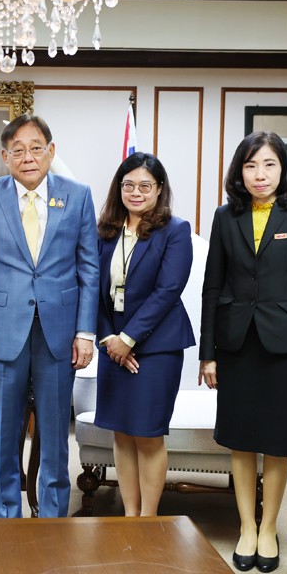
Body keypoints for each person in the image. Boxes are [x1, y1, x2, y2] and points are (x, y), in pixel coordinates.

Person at [198, 131, 287, 573]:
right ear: (240, 171)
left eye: (269, 164)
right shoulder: (225, 216)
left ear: (283, 168)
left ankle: (268, 527)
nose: (260, 174)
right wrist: (208, 354)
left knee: (275, 440)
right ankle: (246, 527)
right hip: (235, 344)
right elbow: (212, 287)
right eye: (251, 165)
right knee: (239, 438)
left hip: (284, 347)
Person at [0, 114, 99, 519]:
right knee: (5, 435)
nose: (28, 157)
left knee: (55, 434)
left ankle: (52, 521)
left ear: (51, 152)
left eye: (36, 148)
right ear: (5, 157)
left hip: (60, 333)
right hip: (4, 332)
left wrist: (86, 331)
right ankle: (8, 517)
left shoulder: (77, 196)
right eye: (17, 150)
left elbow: (89, 269)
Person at [94, 152, 195, 517]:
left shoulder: (175, 231)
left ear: (159, 189)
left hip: (156, 347)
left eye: (144, 186)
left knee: (148, 434)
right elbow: (92, 289)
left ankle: (148, 520)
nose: (136, 193)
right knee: (121, 433)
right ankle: (130, 516)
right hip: (112, 346)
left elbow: (168, 291)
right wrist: (109, 339)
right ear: (118, 188)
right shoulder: (105, 232)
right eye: (128, 185)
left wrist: (129, 339)